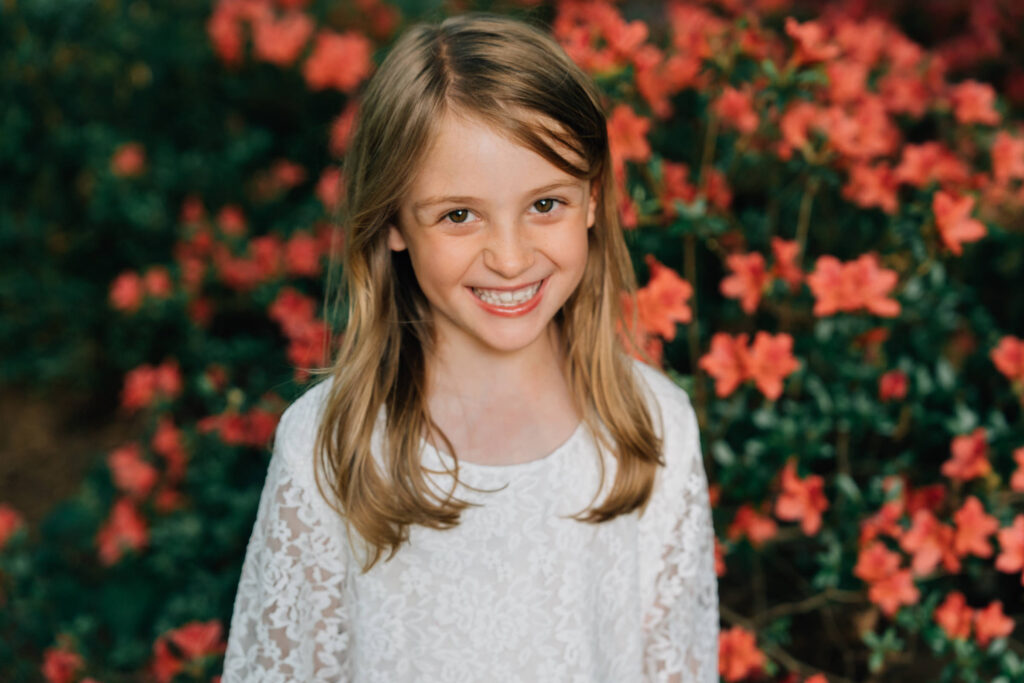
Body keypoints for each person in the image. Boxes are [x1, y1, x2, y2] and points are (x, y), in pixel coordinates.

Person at [222, 12, 718, 682]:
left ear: (593, 200)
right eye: (459, 214)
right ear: (394, 220)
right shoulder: (328, 445)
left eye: (546, 205)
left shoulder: (653, 428)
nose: (511, 258)